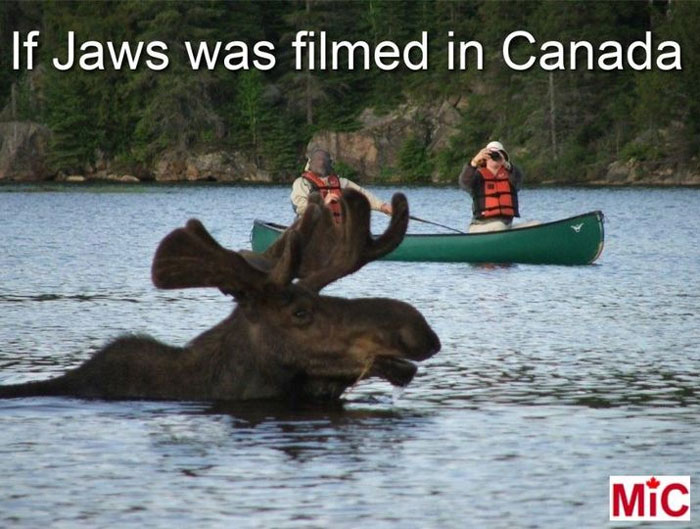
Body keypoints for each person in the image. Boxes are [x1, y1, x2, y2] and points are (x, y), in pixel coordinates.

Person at [290, 148, 392, 222]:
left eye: (324, 161)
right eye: (319, 161)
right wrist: (323, 203)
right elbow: (300, 207)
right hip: (310, 231)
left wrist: (383, 206)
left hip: (335, 231)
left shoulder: (340, 182)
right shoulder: (302, 183)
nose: (321, 163)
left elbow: (362, 195)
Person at [458, 140, 525, 233]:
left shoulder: (511, 175)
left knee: (536, 225)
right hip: (481, 226)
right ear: (484, 158)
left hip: (507, 226)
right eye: (490, 154)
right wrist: (474, 162)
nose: (494, 157)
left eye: (498, 154)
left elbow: (518, 181)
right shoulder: (477, 176)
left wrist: (505, 164)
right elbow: (464, 182)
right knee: (499, 226)